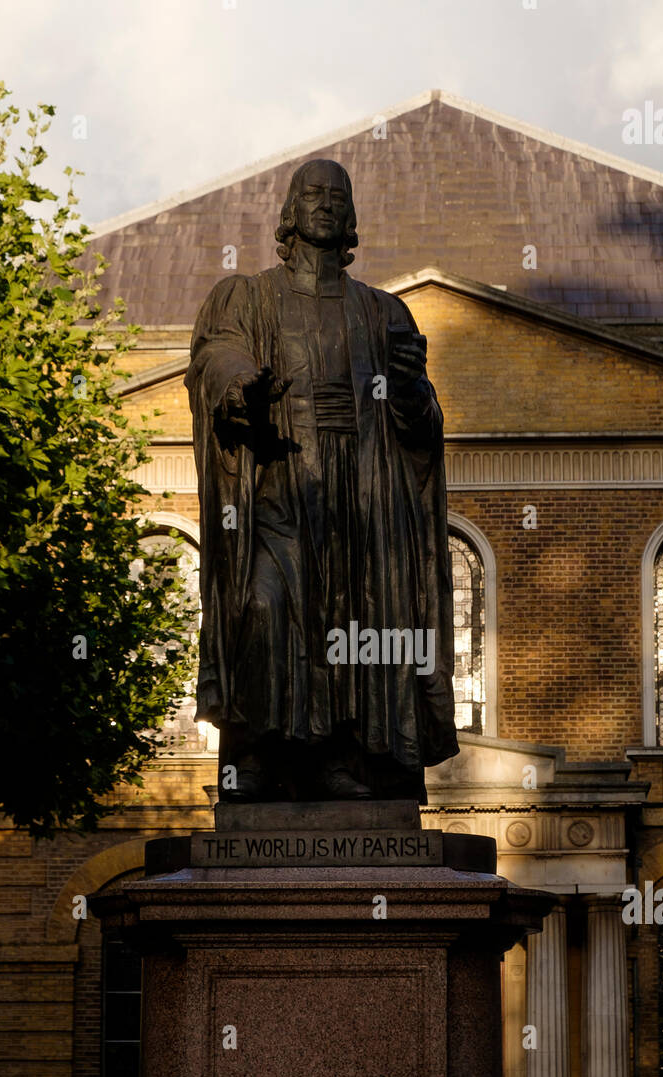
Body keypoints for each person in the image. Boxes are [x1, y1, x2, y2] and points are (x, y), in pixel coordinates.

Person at [185, 159, 458, 801]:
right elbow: (216, 354)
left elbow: (421, 429)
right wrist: (237, 385)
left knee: (355, 616)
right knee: (263, 605)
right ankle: (254, 754)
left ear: (352, 215)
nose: (326, 204)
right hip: (279, 478)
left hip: (362, 494)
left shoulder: (385, 312)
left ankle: (345, 753)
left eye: (339, 195)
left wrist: (414, 385)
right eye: (313, 194)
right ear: (290, 210)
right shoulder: (248, 296)